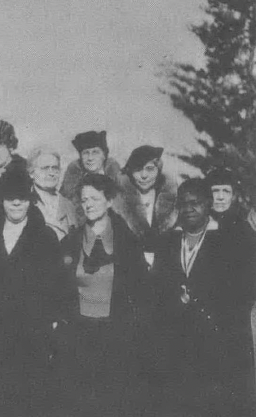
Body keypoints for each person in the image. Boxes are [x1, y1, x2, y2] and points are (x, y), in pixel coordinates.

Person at [0, 167, 65, 417]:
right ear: (2, 199)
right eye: (11, 196)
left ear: (30, 197)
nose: (16, 202)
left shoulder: (45, 237)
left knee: (26, 404)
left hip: (29, 342)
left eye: (22, 196)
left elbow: (55, 290)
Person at [151, 179, 255, 415]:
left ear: (208, 204)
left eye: (195, 203)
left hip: (219, 347)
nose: (188, 209)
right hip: (178, 346)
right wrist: (176, 303)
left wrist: (203, 305)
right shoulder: (167, 242)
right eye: (183, 204)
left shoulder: (232, 241)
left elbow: (245, 291)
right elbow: (156, 291)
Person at [56, 174, 150, 417]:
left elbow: (141, 291)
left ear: (109, 201)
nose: (88, 204)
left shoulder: (127, 242)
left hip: (115, 335)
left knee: (112, 402)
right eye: (84, 199)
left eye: (95, 199)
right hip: (79, 334)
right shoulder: (71, 241)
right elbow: (57, 286)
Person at [113, 145, 178, 267]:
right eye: (138, 169)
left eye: (150, 169)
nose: (144, 175)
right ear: (130, 171)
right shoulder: (118, 202)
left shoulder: (173, 201)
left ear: (158, 170)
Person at [28, 146, 79, 240]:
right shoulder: (24, 202)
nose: (51, 173)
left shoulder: (69, 206)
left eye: (55, 168)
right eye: (45, 168)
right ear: (31, 173)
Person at [59, 130, 122, 202]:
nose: (90, 158)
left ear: (104, 156)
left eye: (95, 152)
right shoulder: (72, 182)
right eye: (86, 153)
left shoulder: (118, 179)